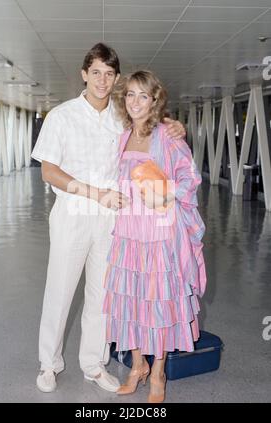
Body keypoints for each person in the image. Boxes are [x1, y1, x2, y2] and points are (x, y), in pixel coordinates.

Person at [31, 43, 186, 394]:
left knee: (104, 296)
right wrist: (93, 193)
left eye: (110, 74)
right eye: (96, 72)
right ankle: (48, 364)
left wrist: (174, 125)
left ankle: (93, 364)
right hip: (73, 213)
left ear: (116, 78)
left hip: (113, 219)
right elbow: (49, 172)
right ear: (84, 74)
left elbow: (149, 123)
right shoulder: (62, 115)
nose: (103, 80)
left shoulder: (120, 116)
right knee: (61, 291)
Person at [103, 70, 207, 402]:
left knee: (158, 300)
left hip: (161, 233)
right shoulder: (122, 136)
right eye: (130, 94)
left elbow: (191, 177)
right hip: (129, 232)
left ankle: (159, 371)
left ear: (154, 100)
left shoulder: (168, 135)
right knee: (130, 299)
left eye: (143, 96)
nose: (135, 101)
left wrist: (166, 192)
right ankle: (137, 366)